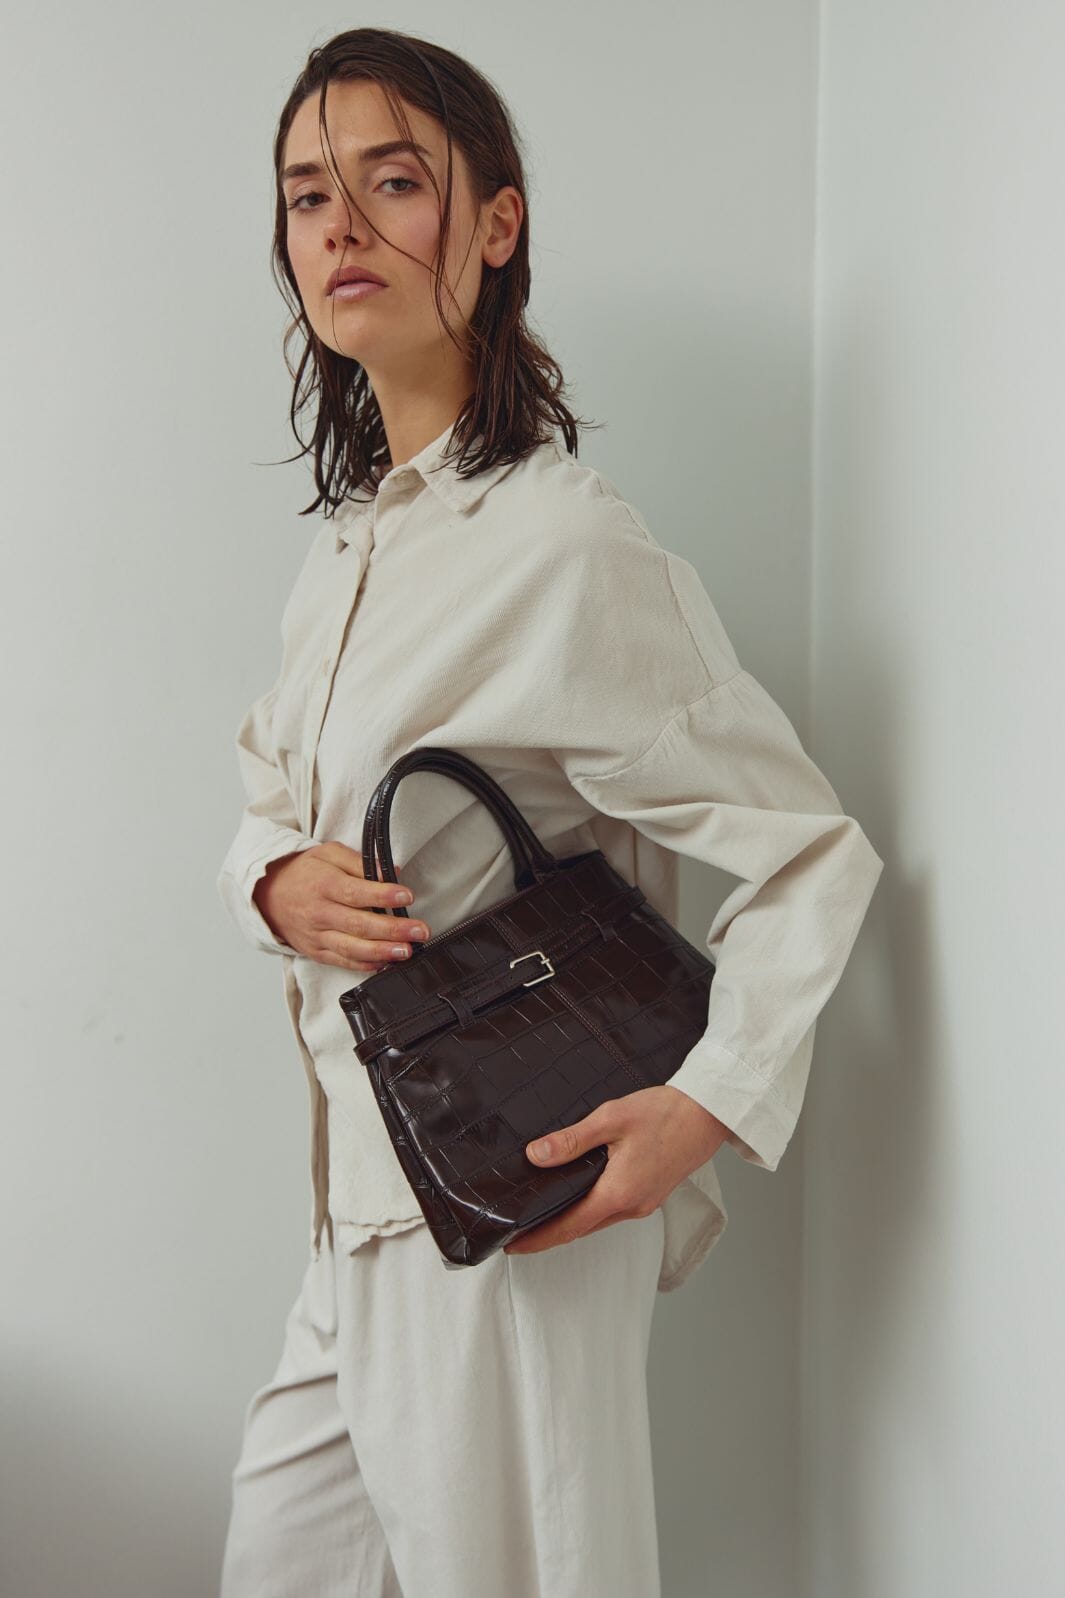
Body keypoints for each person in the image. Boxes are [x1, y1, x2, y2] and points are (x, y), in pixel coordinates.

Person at [216, 26, 884, 1598]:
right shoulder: (349, 551)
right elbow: (268, 790)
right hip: (359, 1212)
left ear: (495, 223)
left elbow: (807, 850)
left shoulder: (566, 545)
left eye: (394, 182)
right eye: (308, 194)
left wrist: (702, 1105)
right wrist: (270, 881)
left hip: (512, 1211)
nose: (341, 226)